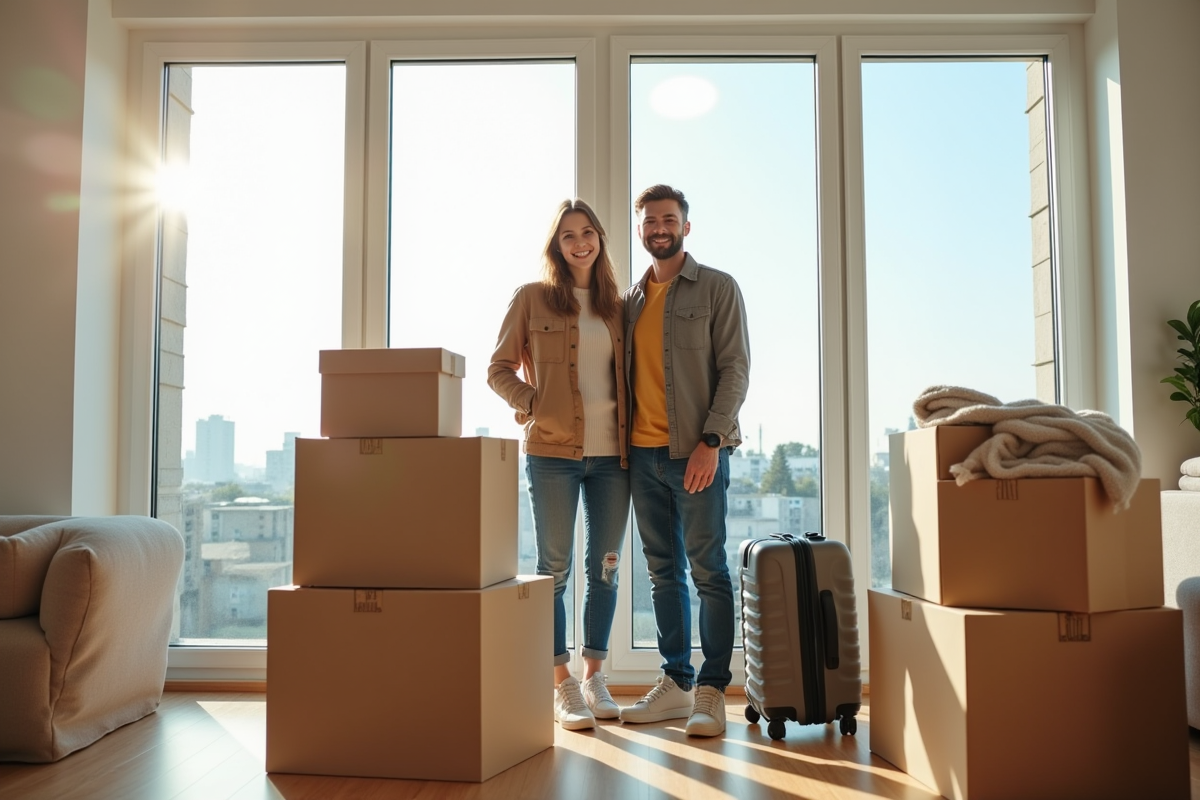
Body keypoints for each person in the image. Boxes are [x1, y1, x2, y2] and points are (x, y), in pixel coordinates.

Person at [487, 198, 631, 732]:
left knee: (607, 567)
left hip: (614, 458)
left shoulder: (619, 305)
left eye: (588, 231)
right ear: (557, 244)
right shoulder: (532, 299)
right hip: (551, 454)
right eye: (568, 235)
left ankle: (595, 675)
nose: (579, 242)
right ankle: (562, 683)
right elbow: (498, 368)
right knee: (555, 570)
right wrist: (533, 405)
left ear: (599, 239)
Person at [617, 184, 750, 738]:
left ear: (686, 227)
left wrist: (711, 442)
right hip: (641, 456)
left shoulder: (717, 288)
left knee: (709, 572)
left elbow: (735, 370)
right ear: (642, 228)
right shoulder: (630, 303)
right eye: (649, 221)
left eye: (668, 219)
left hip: (696, 454)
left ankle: (714, 691)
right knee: (662, 573)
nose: (658, 228)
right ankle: (675, 682)